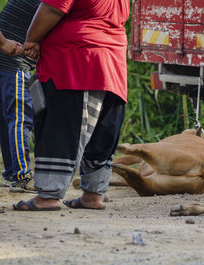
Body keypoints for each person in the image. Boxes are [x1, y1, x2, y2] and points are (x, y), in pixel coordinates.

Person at [13, 0, 130, 211]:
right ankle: (93, 195)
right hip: (112, 62)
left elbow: (51, 9)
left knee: (60, 128)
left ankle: (49, 196)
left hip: (75, 61)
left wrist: (31, 39)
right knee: (100, 131)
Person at [0, 0, 39, 194]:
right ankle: (21, 177)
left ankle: (13, 174)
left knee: (6, 120)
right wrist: (4, 43)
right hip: (12, 63)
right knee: (20, 119)